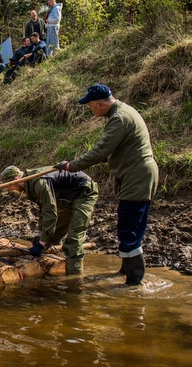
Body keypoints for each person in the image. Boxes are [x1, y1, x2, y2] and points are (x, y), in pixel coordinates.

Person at [54, 84, 158, 286]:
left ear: (100, 104)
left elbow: (101, 150)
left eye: (91, 106)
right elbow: (111, 152)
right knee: (128, 224)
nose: (90, 110)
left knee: (130, 228)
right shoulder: (122, 112)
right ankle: (125, 270)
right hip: (135, 174)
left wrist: (71, 166)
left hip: (137, 176)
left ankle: (134, 281)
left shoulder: (119, 119)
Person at [0, 165, 98, 275]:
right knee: (51, 237)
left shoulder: (38, 182)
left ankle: (74, 277)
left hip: (83, 191)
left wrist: (41, 244)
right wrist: (39, 233)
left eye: (9, 186)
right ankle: (55, 266)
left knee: (74, 237)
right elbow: (43, 209)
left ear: (16, 179)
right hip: (65, 197)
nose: (10, 189)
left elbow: (50, 212)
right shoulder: (29, 186)